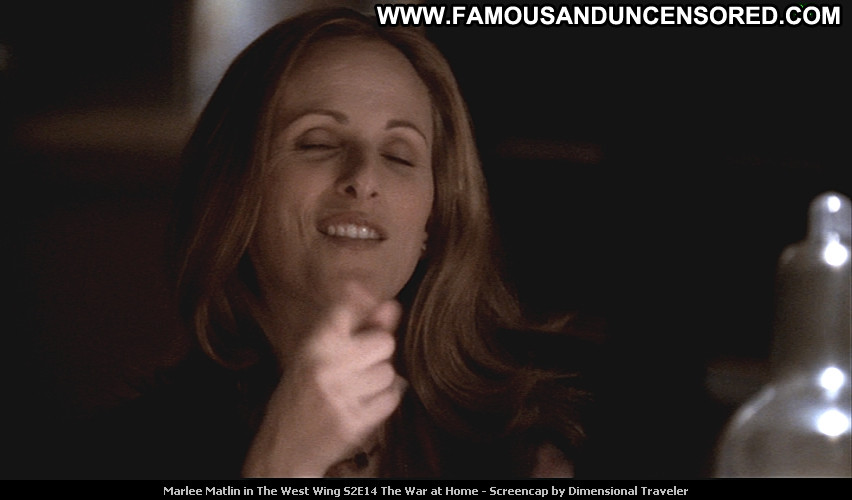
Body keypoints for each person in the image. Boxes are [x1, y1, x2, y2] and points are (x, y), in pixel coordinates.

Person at [61, 7, 596, 479]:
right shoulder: (115, 456)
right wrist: (281, 463)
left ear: (431, 225)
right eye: (317, 142)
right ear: (234, 190)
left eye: (400, 154)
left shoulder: (543, 442)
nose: (364, 178)